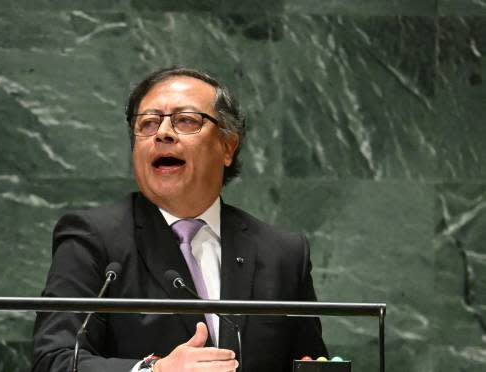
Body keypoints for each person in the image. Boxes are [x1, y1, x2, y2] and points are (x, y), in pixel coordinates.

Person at [31, 67, 328, 372]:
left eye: (185, 120)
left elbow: (309, 364)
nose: (162, 133)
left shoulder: (282, 253)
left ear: (227, 146)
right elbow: (54, 360)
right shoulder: (93, 239)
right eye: (147, 123)